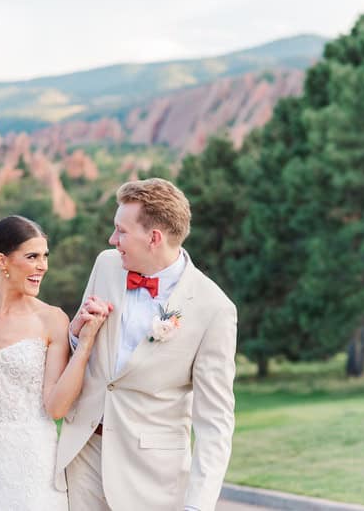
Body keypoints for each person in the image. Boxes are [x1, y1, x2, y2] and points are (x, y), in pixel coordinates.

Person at [54, 178, 238, 511]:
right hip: (84, 459)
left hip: (152, 480)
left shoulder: (214, 308)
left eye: (121, 231)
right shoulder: (106, 266)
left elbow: (215, 422)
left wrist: (198, 505)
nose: (113, 240)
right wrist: (77, 330)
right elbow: (84, 351)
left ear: (154, 238)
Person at [0, 215, 104, 511]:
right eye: (32, 257)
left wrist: (85, 346)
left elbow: (56, 407)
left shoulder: (52, 319)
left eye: (45, 256)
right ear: (3, 261)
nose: (43, 266)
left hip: (32, 464)